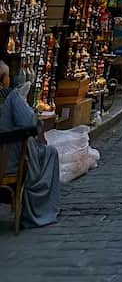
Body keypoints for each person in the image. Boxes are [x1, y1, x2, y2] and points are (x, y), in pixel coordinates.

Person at [0, 58, 60, 226]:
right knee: (50, 152)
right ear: (3, 79)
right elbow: (30, 122)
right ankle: (41, 207)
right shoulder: (11, 97)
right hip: (7, 163)